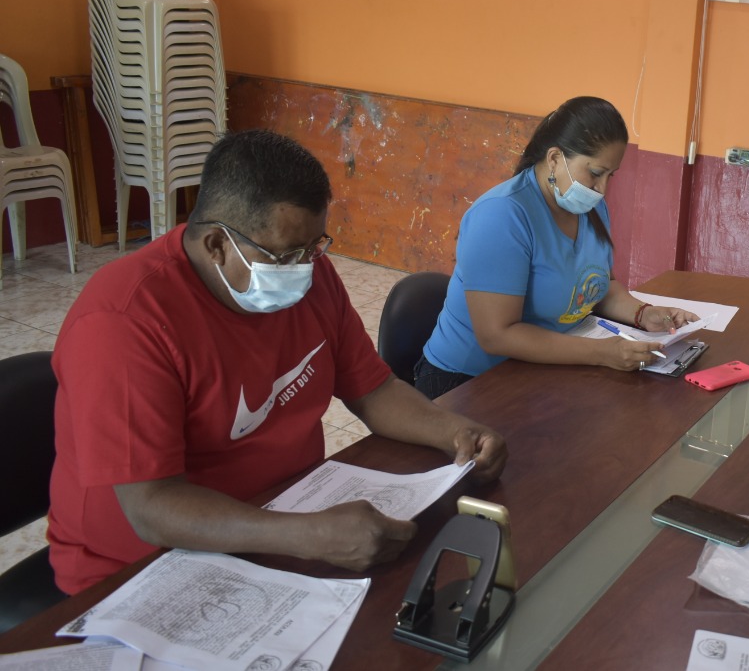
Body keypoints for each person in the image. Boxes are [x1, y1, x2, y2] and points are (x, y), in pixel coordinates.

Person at [48, 130, 507, 595]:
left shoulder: (308, 273)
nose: (305, 268)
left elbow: (373, 390)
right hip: (142, 569)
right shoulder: (123, 322)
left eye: (314, 247)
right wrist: (307, 537)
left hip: (282, 516)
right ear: (216, 244)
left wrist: (455, 432)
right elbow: (151, 506)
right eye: (284, 255)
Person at [417, 96, 698, 397]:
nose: (602, 189)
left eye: (610, 175)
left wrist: (643, 314)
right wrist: (602, 353)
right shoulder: (501, 215)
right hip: (468, 382)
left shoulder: (590, 208)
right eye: (595, 173)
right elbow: (497, 335)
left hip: (545, 368)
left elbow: (600, 287)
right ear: (554, 159)